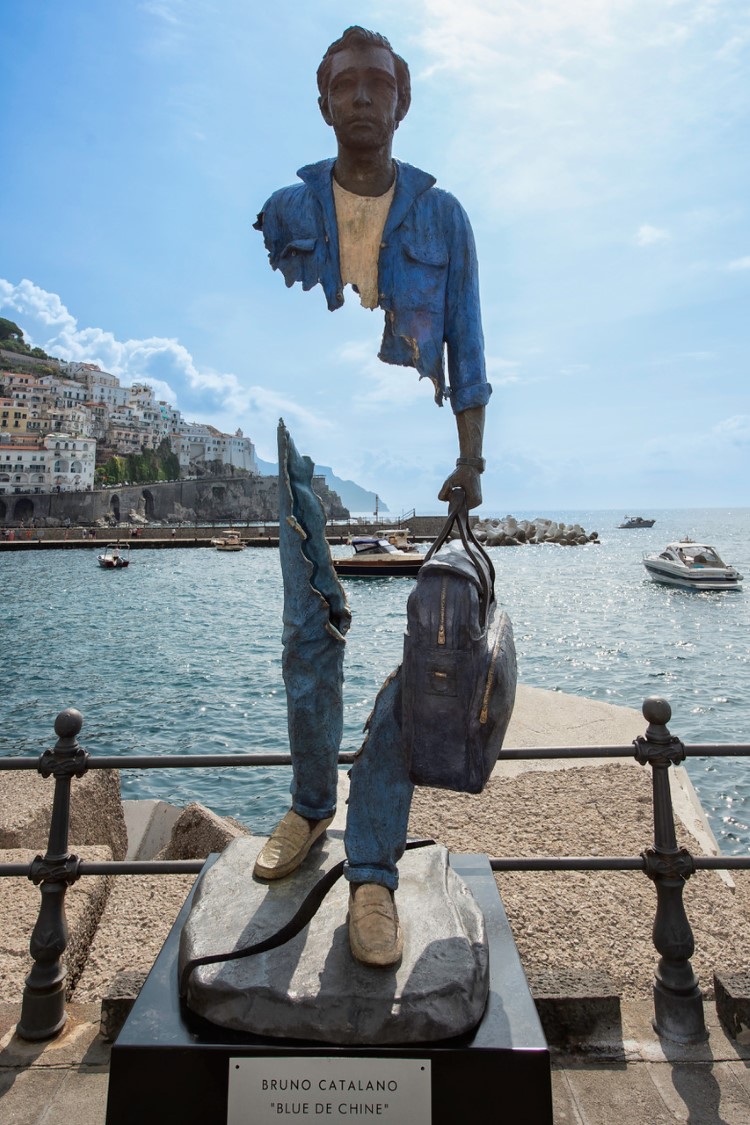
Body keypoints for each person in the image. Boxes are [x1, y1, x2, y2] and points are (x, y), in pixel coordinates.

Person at [254, 26, 492, 966]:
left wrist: (470, 460)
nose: (361, 96)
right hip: (305, 450)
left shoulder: (444, 217)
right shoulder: (284, 208)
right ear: (323, 105)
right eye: (343, 84)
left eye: (377, 82)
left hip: (414, 456)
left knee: (418, 672)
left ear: (402, 100)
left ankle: (373, 871)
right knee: (305, 641)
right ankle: (311, 806)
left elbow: (467, 343)